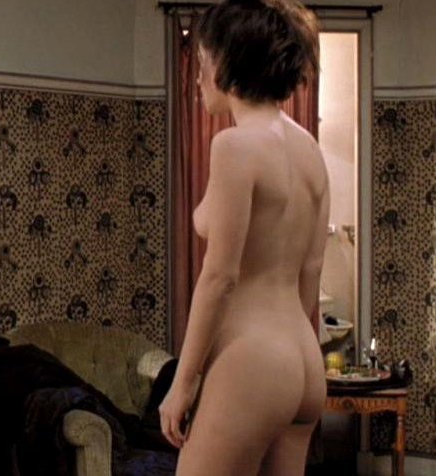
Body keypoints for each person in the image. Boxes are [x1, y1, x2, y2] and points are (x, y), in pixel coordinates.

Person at [159, 1, 328, 474]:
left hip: (253, 360)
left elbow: (219, 278)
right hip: (303, 359)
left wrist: (183, 383)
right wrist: (286, 360)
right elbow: (311, 269)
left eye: (202, 61)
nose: (198, 77)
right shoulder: (309, 150)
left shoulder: (234, 146)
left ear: (227, 64)